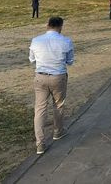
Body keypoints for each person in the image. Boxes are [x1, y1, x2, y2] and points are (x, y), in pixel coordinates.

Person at [29, 16, 74, 154]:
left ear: (47, 25)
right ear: (60, 26)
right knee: (58, 105)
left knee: (40, 109)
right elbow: (70, 61)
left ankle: (40, 143)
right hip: (58, 76)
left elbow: (32, 59)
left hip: (40, 76)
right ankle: (58, 131)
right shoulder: (66, 41)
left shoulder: (36, 40)